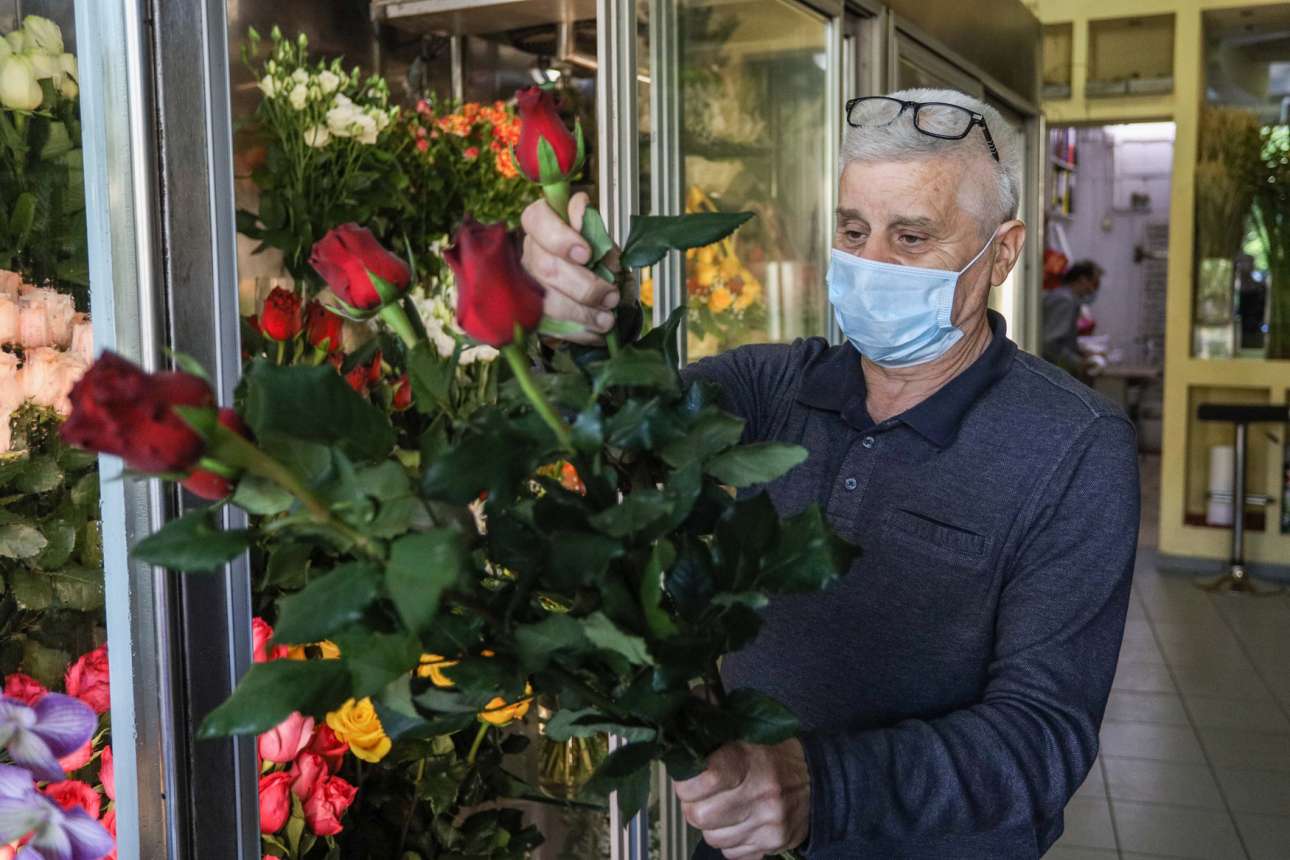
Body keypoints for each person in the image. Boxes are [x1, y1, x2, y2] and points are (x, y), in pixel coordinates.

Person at [521, 88, 1139, 859]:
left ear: (1002, 253)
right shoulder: (776, 387)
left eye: (911, 237)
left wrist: (823, 787)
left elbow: (1041, 739)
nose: (871, 264)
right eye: (853, 230)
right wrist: (572, 323)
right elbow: (616, 424)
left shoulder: (1074, 446)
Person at [1042, 259, 1104, 377]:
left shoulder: (1066, 298)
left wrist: (1080, 353)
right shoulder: (1065, 301)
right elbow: (1050, 344)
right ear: (1082, 280)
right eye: (1094, 284)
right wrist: (1077, 363)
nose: (1093, 290)